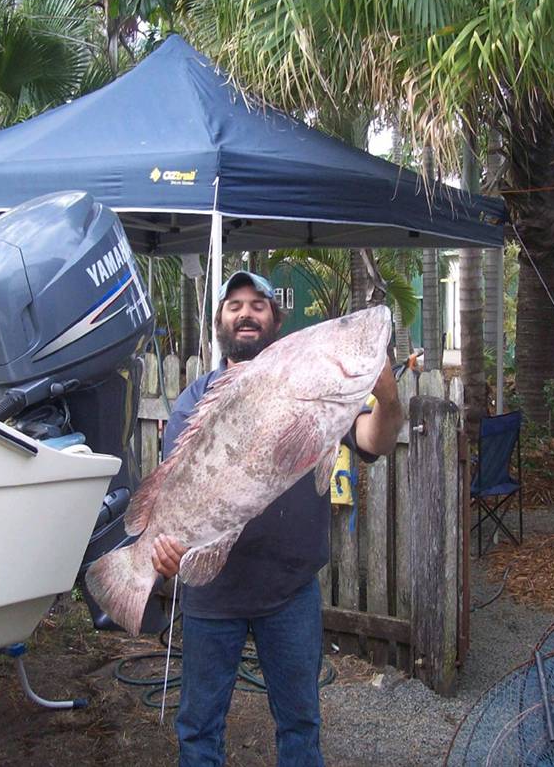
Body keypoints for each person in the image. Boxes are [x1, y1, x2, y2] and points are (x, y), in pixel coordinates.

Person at [153, 270, 402, 767]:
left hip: (290, 590)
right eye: (234, 305)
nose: (246, 313)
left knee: (300, 723)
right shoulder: (194, 401)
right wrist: (161, 544)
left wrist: (389, 398)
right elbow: (174, 489)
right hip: (212, 594)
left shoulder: (313, 380)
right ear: (220, 321)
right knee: (199, 730)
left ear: (275, 319)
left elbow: (374, 441)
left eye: (257, 305)